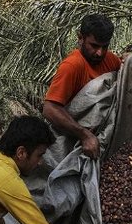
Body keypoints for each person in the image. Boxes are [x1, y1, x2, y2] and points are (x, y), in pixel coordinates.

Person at [43, 13, 122, 159]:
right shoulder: (72, 66)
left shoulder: (111, 60)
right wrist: (84, 135)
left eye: (105, 47)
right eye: (94, 46)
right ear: (80, 38)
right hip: (72, 144)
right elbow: (50, 109)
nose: (100, 53)